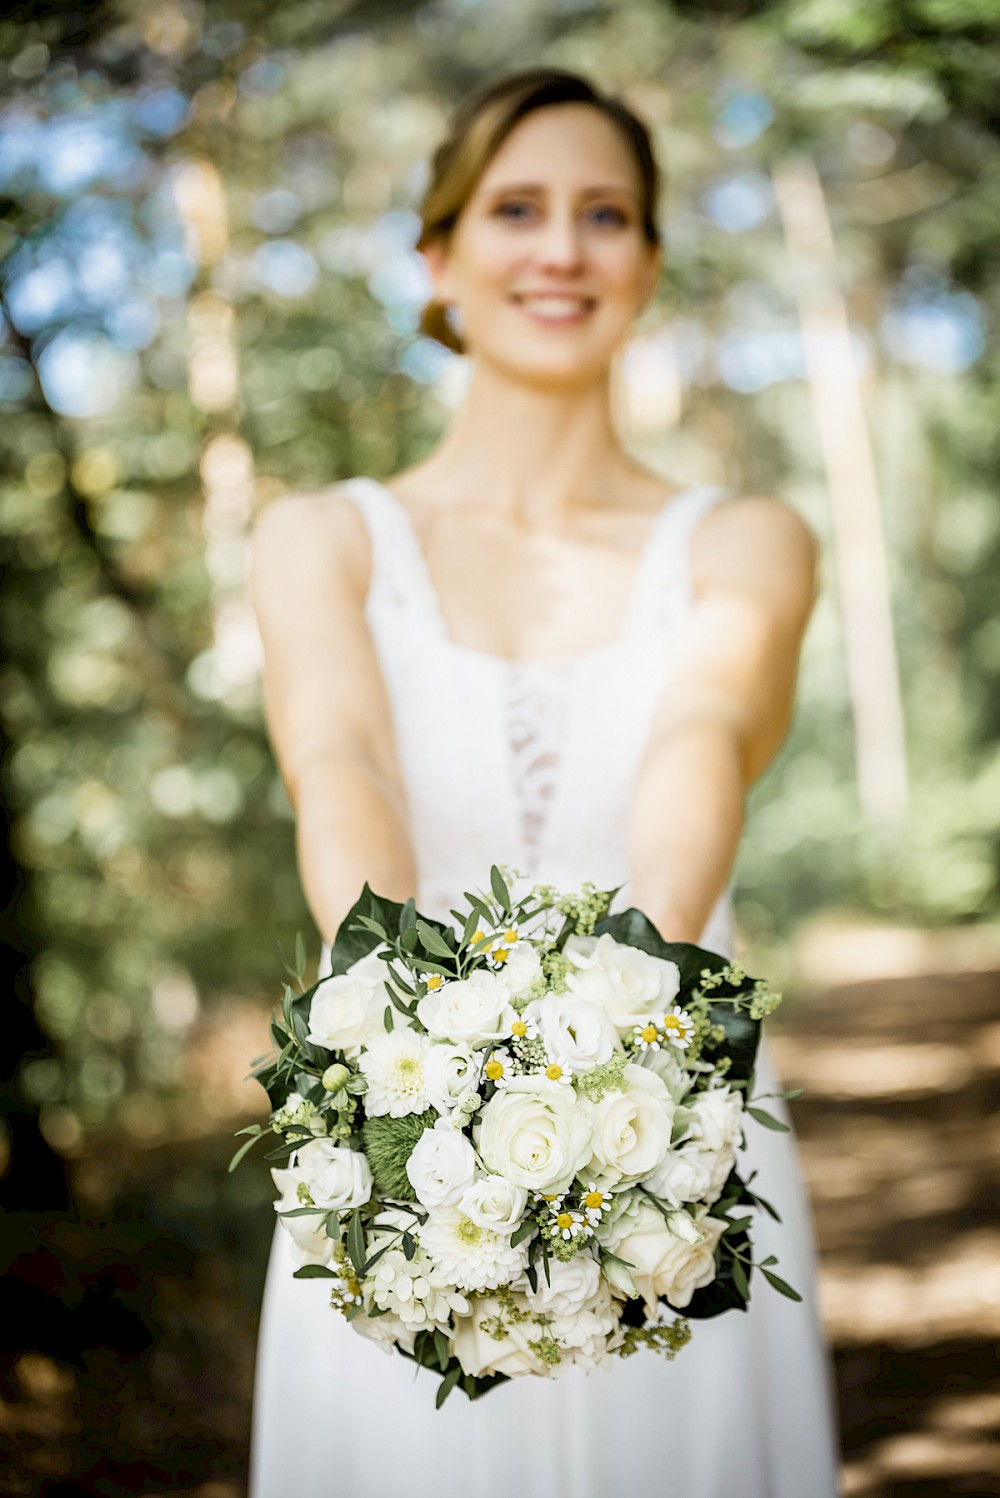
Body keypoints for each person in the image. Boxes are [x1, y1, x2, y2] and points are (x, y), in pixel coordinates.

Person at [247, 67, 842, 1498]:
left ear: (647, 262)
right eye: (517, 208)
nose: (562, 248)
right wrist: (408, 1051)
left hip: (672, 1153)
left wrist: (635, 1032)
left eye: (606, 214)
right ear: (438, 258)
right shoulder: (320, 537)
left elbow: (702, 734)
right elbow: (342, 760)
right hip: (402, 1154)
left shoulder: (746, 538)